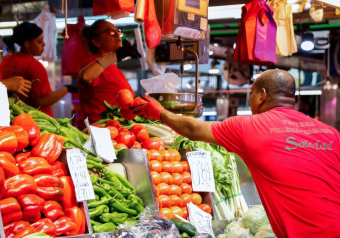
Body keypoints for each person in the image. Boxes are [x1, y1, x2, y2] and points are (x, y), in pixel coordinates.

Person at [132, 69, 340, 238]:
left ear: (262, 95)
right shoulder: (330, 133)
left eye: (251, 93)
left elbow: (192, 129)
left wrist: (159, 112)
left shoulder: (249, 127)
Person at [0, 22, 76, 117]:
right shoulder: (34, 65)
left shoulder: (6, 60)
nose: (44, 44)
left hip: (14, 116)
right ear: (27, 44)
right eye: (39, 41)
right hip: (36, 120)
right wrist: (67, 88)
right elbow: (42, 101)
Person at [77, 20, 141, 129]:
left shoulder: (113, 67)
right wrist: (114, 55)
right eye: (111, 32)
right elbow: (85, 76)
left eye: (117, 31)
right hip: (98, 132)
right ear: (96, 42)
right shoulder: (92, 62)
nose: (117, 35)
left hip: (115, 131)